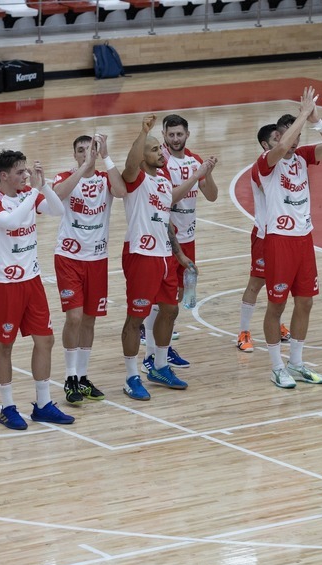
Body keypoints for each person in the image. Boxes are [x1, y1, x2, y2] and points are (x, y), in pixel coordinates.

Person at [0, 150, 74, 430]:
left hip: (32, 280)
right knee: (5, 345)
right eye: (20, 172)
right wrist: (34, 193)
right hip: (4, 284)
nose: (25, 176)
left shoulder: (28, 194)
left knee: (45, 340)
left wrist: (43, 186)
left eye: (26, 171)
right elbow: (11, 222)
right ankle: (7, 407)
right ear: (4, 175)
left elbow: (58, 210)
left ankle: (43, 404)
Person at [120, 114, 209, 401]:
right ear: (143, 155)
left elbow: (166, 222)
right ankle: (131, 376)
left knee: (170, 310)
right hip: (140, 255)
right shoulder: (136, 179)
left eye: (161, 148)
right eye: (155, 149)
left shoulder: (162, 182)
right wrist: (142, 132)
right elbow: (130, 165)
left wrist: (180, 254)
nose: (161, 153)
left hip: (164, 255)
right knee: (136, 317)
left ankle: (159, 366)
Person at [257, 88, 322, 389]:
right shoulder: (267, 160)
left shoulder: (303, 157)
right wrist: (302, 116)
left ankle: (297, 363)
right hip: (279, 240)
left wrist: (316, 120)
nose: (290, 140)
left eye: (293, 135)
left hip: (304, 239)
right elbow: (279, 149)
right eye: (283, 135)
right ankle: (277, 367)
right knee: (275, 306)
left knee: (305, 302)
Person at [139, 114, 218, 371]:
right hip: (165, 238)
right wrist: (196, 176)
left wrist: (208, 174)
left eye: (179, 134)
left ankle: (160, 346)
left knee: (177, 295)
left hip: (189, 236)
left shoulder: (194, 160)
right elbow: (168, 200)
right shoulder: (160, 161)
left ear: (187, 134)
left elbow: (213, 196)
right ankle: (153, 351)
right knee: (163, 300)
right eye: (170, 134)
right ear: (164, 135)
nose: (175, 139)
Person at [52, 134, 126, 404]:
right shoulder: (64, 177)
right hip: (69, 257)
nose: (86, 153)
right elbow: (57, 195)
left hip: (97, 258)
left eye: (90, 149)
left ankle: (82, 377)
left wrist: (105, 156)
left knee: (90, 319)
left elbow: (122, 192)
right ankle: (70, 377)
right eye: (81, 150)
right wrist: (84, 168)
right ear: (74, 155)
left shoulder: (106, 179)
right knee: (74, 317)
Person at [236, 123, 293, 353]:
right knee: (257, 282)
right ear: (265, 144)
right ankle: (243, 332)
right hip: (264, 233)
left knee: (278, 283)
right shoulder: (261, 166)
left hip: (285, 235)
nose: (282, 142)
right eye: (277, 138)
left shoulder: (290, 164)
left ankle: (276, 323)